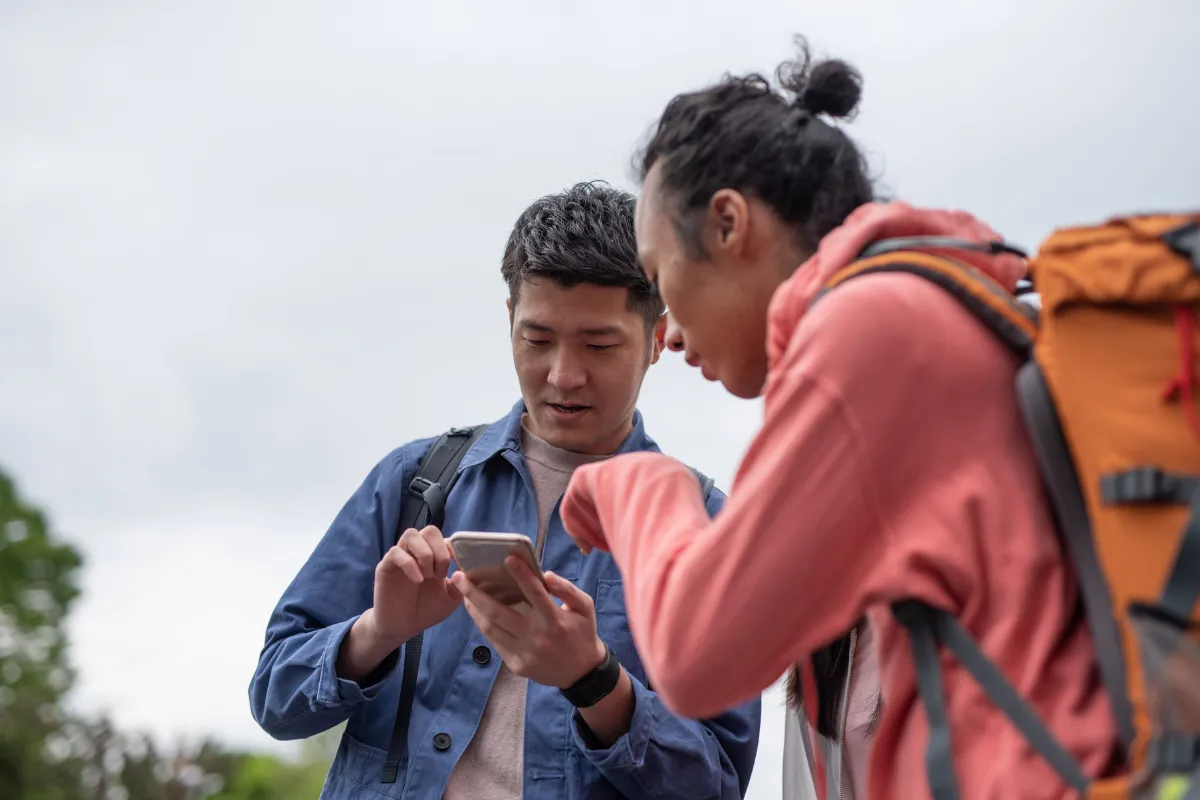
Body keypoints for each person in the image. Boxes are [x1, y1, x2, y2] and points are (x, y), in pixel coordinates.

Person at [560, 40, 1122, 800]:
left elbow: (696, 656)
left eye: (662, 279)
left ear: (729, 223)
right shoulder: (947, 307)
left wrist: (641, 482)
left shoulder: (870, 328)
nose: (671, 332)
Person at [248, 181, 760, 799]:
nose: (564, 374)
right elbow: (275, 699)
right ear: (509, 321)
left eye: (599, 345)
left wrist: (595, 681)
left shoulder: (705, 530)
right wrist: (377, 631)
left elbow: (718, 786)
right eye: (537, 339)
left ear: (656, 340)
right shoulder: (416, 479)